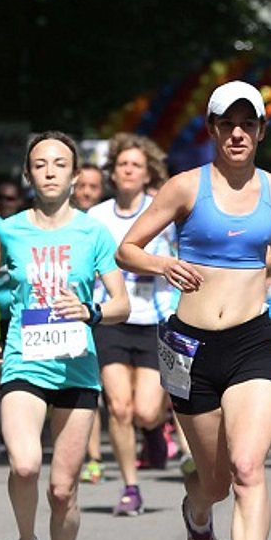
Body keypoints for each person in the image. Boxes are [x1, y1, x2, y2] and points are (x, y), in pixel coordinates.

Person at [117, 80, 271, 540]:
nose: (237, 133)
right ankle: (197, 515)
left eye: (247, 123)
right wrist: (163, 264)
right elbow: (126, 249)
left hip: (253, 342)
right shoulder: (185, 188)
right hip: (190, 346)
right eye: (226, 124)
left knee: (250, 468)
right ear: (211, 130)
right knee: (216, 479)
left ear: (260, 130)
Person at [0, 132, 130, 540]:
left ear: (75, 175)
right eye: (40, 164)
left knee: (63, 488)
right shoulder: (7, 231)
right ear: (28, 175)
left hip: (77, 366)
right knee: (25, 464)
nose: (49, 171)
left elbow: (121, 303)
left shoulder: (94, 233)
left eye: (59, 163)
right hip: (24, 360)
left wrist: (90, 311)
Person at [87, 134, 175, 516]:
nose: (128, 170)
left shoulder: (163, 213)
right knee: (119, 408)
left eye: (136, 165)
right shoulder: (97, 217)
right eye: (122, 164)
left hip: (154, 317)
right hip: (111, 318)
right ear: (113, 172)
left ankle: (155, 428)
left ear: (147, 174)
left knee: (145, 410)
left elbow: (179, 261)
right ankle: (130, 487)